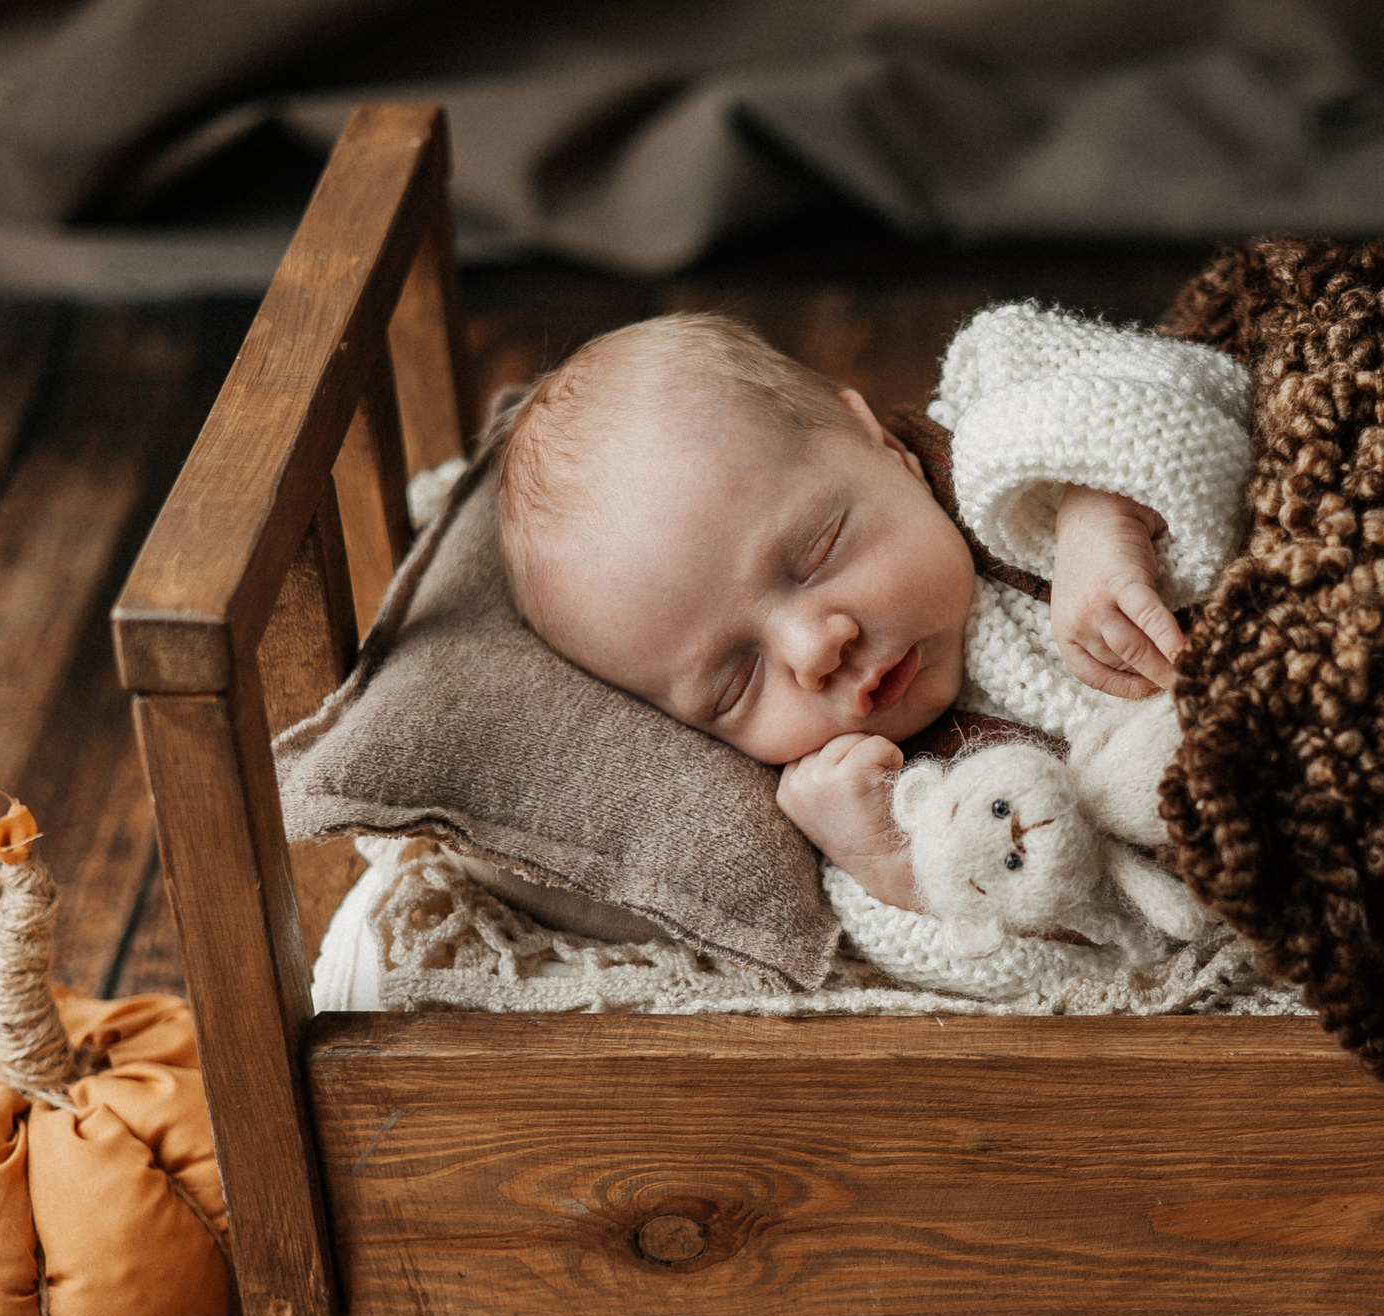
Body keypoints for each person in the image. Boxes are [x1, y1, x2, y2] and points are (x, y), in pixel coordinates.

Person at [494, 306, 1252, 928]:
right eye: (736, 683)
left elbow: (1207, 384)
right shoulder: (892, 806)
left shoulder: (1006, 415)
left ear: (886, 450)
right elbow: (1081, 961)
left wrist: (1100, 504)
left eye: (817, 552)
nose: (814, 649)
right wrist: (898, 867)